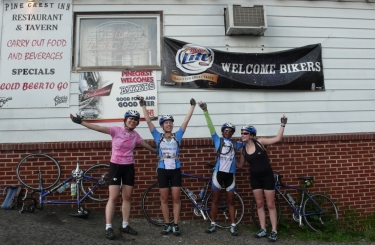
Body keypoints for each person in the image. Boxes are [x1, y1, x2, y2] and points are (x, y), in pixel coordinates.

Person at [70, 110, 156, 240]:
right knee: (113, 197)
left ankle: (125, 225)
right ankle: (108, 227)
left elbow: (146, 146)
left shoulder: (135, 135)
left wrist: (157, 151)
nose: (132, 121)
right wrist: (80, 121)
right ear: (125, 120)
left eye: (135, 120)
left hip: (129, 167)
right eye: (130, 118)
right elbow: (98, 128)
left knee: (127, 197)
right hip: (116, 166)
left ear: (137, 123)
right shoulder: (116, 130)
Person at [140, 97, 196, 236]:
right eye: (166, 122)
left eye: (170, 122)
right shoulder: (157, 136)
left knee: (176, 198)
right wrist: (143, 106)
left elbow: (185, 121)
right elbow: (148, 121)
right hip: (163, 170)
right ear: (162, 125)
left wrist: (192, 107)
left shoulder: (178, 135)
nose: (169, 124)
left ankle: (176, 224)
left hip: (176, 169)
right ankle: (167, 224)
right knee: (164, 199)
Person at [237, 115, 287, 242]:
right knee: (259, 204)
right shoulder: (243, 150)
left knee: (270, 204)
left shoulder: (260, 142)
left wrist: (282, 124)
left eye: (245, 133)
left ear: (251, 135)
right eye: (242, 133)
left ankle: (274, 231)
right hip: (255, 178)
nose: (242, 135)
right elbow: (240, 165)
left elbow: (278, 138)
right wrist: (225, 160)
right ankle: (263, 229)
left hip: (267, 176)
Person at [197, 101, 243, 236]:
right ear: (223, 131)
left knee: (230, 201)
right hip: (218, 174)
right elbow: (210, 126)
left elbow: (249, 145)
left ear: (233, 133)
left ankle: (233, 225)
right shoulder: (217, 140)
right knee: (215, 200)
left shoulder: (237, 144)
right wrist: (205, 110)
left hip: (230, 175)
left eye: (230, 131)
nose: (228, 132)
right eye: (226, 130)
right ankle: (212, 224)